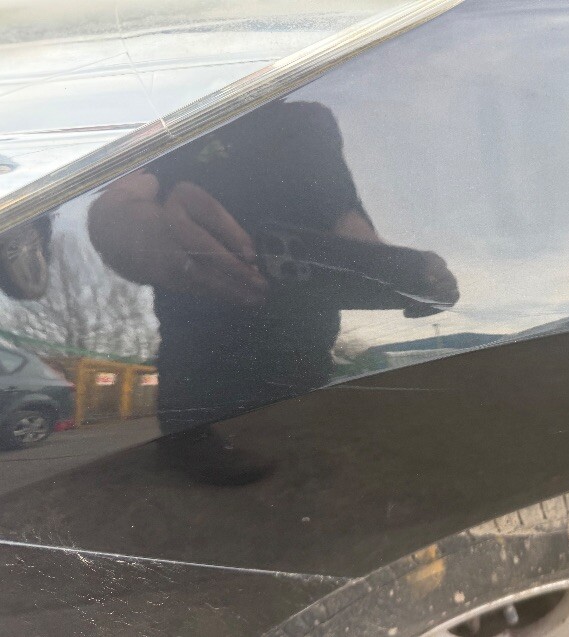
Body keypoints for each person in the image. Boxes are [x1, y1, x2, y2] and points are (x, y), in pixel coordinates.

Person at [89, 100, 458, 486]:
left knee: (304, 466)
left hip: (302, 362)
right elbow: (118, 201)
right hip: (200, 380)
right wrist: (137, 226)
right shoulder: (182, 119)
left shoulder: (307, 120)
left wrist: (401, 274)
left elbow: (344, 215)